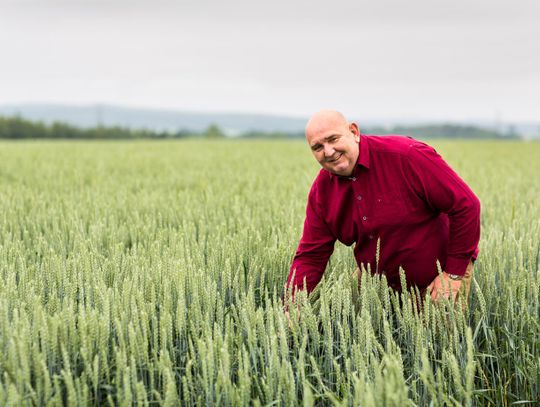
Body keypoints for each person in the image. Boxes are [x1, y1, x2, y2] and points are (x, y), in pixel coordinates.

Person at [286, 110, 480, 306]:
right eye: (318, 147)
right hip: (375, 280)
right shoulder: (322, 191)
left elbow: (466, 205)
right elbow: (312, 255)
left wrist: (453, 274)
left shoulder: (406, 156)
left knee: (440, 336)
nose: (328, 151)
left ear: (354, 132)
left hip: (438, 275)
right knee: (348, 321)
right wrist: (292, 306)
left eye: (333, 139)